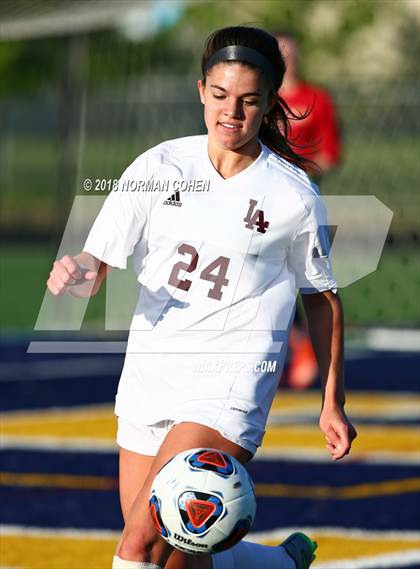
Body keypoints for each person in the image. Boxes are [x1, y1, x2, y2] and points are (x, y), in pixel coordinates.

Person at [47, 26, 357, 569]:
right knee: (178, 554)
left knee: (138, 547)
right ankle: (278, 564)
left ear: (268, 105)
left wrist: (332, 400)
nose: (230, 112)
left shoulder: (293, 195)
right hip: (151, 374)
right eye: (219, 96)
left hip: (229, 381)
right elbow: (98, 268)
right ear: (200, 91)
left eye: (248, 100)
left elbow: (321, 298)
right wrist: (78, 270)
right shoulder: (157, 167)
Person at [275, 30, 342, 390]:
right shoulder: (258, 101)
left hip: (299, 204)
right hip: (257, 204)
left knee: (306, 275)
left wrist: (292, 174)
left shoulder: (316, 99)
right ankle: (294, 341)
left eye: (290, 51)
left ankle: (308, 345)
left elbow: (330, 155)